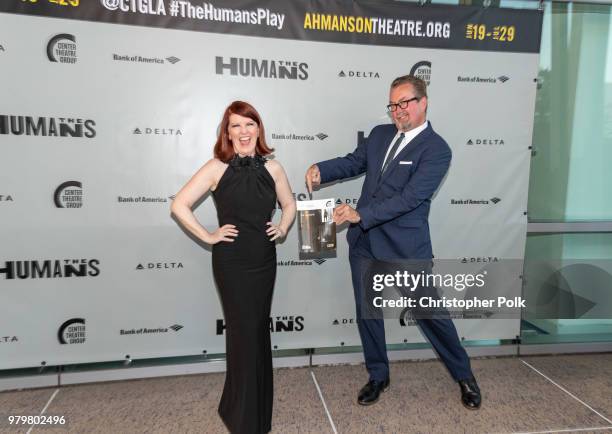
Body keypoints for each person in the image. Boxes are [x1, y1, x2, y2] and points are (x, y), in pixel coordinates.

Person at [304, 75, 482, 409]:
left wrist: (360, 215)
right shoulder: (379, 134)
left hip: (404, 249)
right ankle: (378, 375)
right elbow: (355, 162)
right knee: (368, 313)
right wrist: (322, 170)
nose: (398, 111)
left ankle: (464, 375)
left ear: (423, 101)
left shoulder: (437, 149)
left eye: (404, 103)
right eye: (393, 105)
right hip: (364, 245)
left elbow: (410, 198)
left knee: (431, 314)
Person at [171, 101, 296, 433]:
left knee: (256, 333)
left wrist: (282, 227)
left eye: (249, 124)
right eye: (236, 126)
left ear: (259, 129)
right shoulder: (216, 168)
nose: (243, 132)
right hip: (232, 263)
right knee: (242, 334)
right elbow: (179, 204)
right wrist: (209, 236)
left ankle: (247, 409)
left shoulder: (275, 169)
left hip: (263, 260)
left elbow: (290, 203)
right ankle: (242, 416)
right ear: (227, 133)